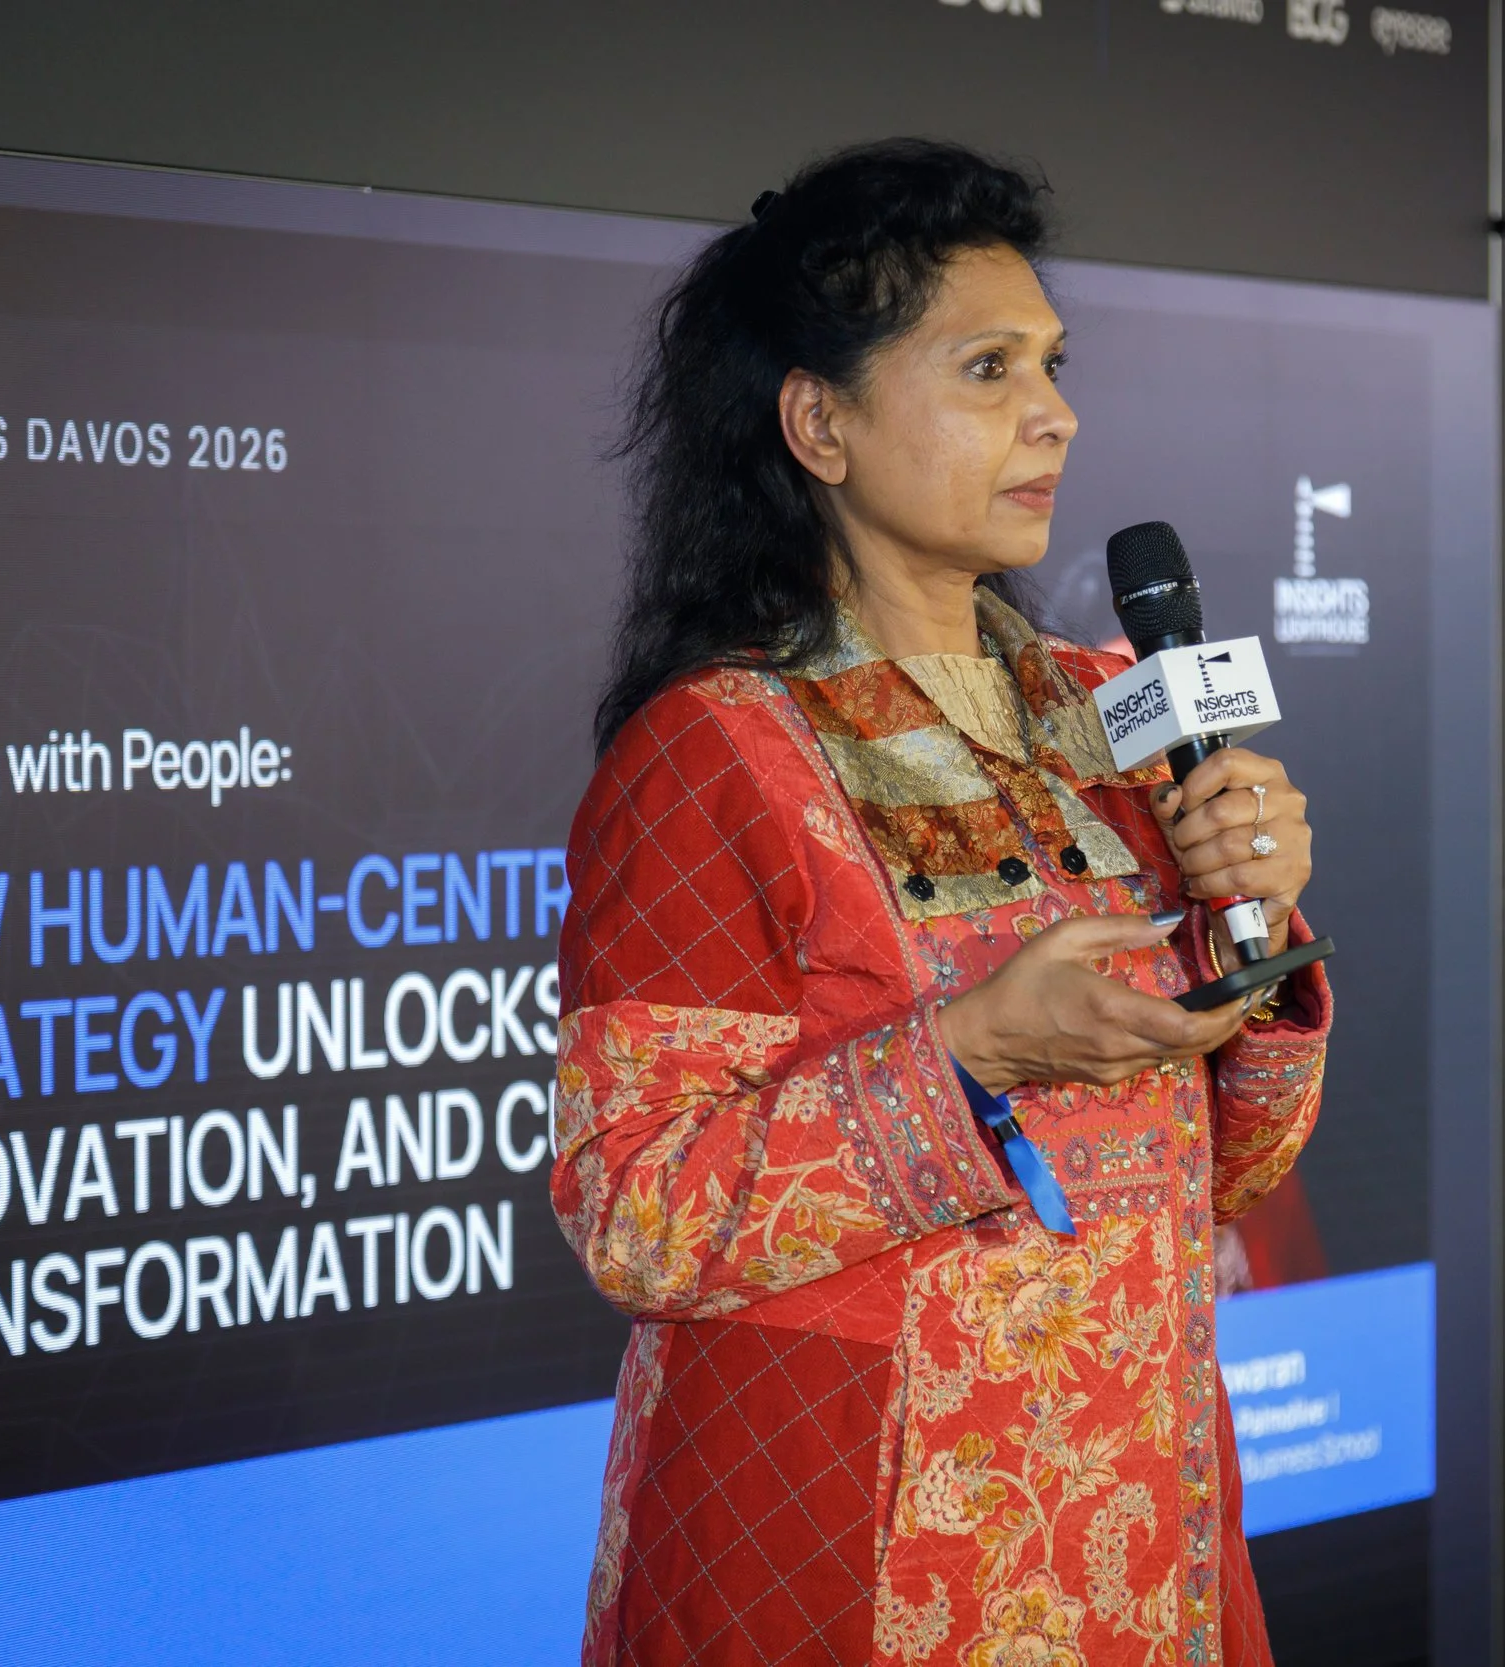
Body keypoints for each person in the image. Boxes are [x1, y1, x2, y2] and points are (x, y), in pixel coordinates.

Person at [552, 138, 1331, 1667]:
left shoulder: (1113, 713)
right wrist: (971, 1049)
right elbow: (635, 1211)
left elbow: (1222, 1170)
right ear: (819, 422)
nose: (1057, 413)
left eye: (1052, 362)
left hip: (1132, 1507)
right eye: (989, 368)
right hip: (857, 1533)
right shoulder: (714, 751)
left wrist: (1262, 922)